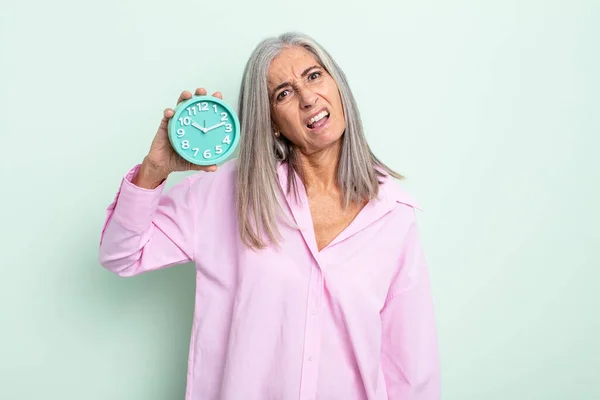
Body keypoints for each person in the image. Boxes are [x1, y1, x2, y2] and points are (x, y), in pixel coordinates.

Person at [98, 32, 440, 400]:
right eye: (284, 93)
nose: (309, 98)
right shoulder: (227, 191)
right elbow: (121, 254)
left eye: (313, 76)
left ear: (337, 86)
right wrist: (154, 169)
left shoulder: (393, 214)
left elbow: (410, 368)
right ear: (272, 121)